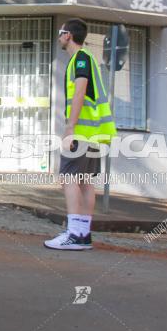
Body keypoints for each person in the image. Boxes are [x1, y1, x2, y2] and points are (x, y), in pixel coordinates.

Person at [44, 18, 117, 251]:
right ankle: (83, 234)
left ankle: (74, 234)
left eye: (60, 32)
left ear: (68, 35)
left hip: (82, 132)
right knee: (85, 182)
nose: (58, 36)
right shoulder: (88, 59)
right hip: (95, 133)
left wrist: (70, 127)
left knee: (69, 179)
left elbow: (80, 91)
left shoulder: (81, 59)